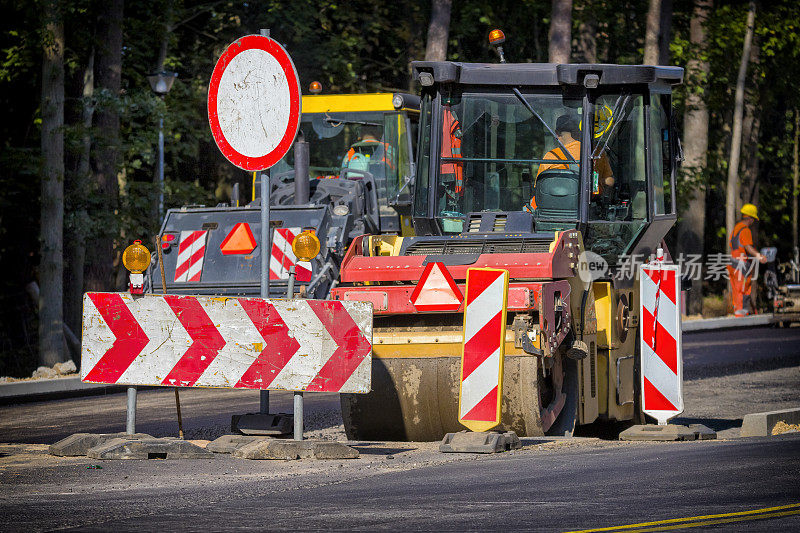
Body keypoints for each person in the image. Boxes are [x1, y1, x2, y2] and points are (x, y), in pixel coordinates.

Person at [530, 114, 613, 210]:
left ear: (557, 133)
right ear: (579, 130)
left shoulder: (552, 155)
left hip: (555, 209)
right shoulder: (597, 152)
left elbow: (540, 188)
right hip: (589, 209)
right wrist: (595, 182)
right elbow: (610, 181)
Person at [727, 203, 768, 316]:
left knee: (736, 289)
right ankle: (741, 314)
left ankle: (738, 313)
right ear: (750, 218)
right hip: (740, 264)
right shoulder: (745, 230)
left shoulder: (736, 228)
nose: (754, 222)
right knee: (743, 288)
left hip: (732, 263)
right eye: (753, 219)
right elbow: (748, 247)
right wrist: (759, 256)